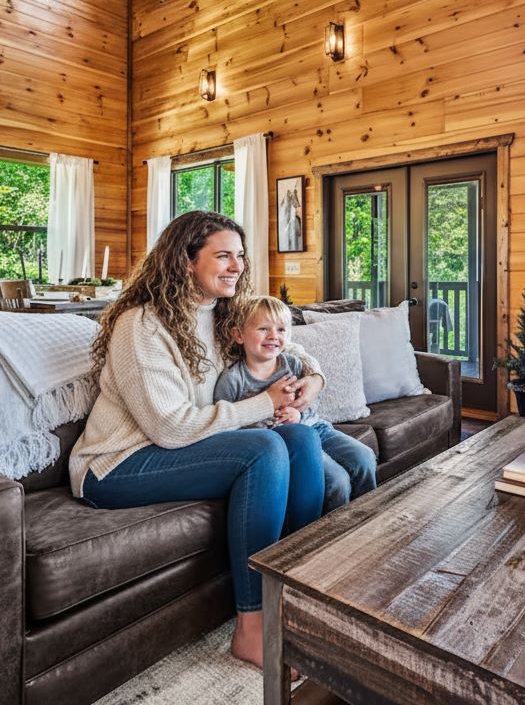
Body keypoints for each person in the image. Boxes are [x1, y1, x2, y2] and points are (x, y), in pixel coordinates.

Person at [68, 211, 326, 669]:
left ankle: (297, 596)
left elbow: (290, 347)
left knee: (300, 440)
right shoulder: (141, 325)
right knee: (265, 449)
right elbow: (170, 427)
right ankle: (251, 628)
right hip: (117, 463)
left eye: (240, 257)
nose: (237, 266)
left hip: (174, 449)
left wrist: (316, 380)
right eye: (222, 255)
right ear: (186, 261)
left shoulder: (222, 314)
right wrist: (264, 403)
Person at [215, 296, 378, 513]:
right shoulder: (233, 379)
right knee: (336, 481)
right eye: (263, 329)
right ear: (238, 335)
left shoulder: (292, 363)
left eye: (281, 330)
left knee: (364, 457)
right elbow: (227, 424)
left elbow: (313, 399)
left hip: (315, 427)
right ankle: (333, 537)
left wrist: (299, 413)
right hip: (284, 444)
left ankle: (368, 519)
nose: (273, 336)